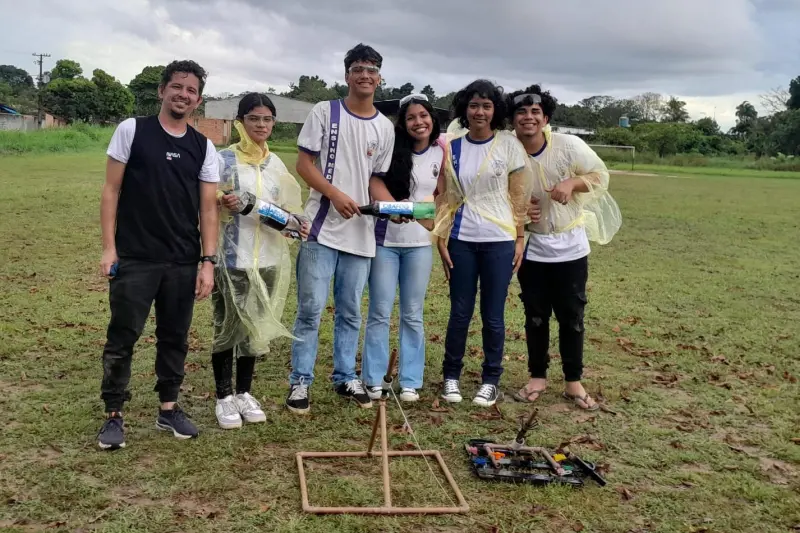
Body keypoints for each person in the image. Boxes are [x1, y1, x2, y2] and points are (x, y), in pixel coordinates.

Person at [96, 60, 219, 450]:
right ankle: (114, 414)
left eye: (192, 90)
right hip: (135, 257)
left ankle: (168, 409)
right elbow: (110, 191)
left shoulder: (203, 146)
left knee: (174, 338)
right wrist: (109, 248)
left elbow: (209, 209)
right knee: (123, 336)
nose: (184, 95)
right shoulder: (132, 130)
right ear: (162, 90)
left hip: (182, 260)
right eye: (178, 87)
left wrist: (207, 261)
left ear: (198, 100)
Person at [285, 43, 395, 414]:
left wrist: (390, 208)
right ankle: (300, 381)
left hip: (361, 232)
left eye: (372, 69)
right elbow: (304, 164)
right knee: (311, 308)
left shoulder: (384, 126)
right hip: (321, 229)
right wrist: (333, 194)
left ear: (380, 77)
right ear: (347, 74)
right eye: (358, 68)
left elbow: (375, 181)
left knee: (350, 310)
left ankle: (345, 375)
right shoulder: (325, 111)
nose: (365, 75)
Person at [507, 85, 622, 410]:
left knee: (572, 316)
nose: (528, 117)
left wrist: (572, 183)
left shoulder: (569, 145)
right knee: (535, 315)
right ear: (513, 119)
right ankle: (537, 377)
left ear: (545, 118)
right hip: (532, 247)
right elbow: (495, 192)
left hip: (571, 246)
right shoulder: (508, 151)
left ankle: (573, 382)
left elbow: (601, 175)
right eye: (521, 112)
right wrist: (517, 212)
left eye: (535, 112)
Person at [432, 79, 533, 407]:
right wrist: (441, 237)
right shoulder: (453, 146)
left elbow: (518, 197)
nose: (479, 111)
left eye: (486, 106)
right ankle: (451, 376)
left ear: (495, 111)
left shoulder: (508, 146)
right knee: (459, 311)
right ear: (465, 108)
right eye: (474, 105)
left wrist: (519, 237)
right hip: (461, 240)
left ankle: (491, 379)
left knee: (493, 315)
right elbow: (446, 197)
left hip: (499, 241)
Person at [213, 93, 309, 429]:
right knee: (228, 327)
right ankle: (224, 397)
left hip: (268, 258)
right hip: (231, 258)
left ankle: (244, 392)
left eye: (267, 119)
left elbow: (291, 212)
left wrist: (294, 222)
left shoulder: (277, 165)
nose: (261, 125)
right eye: (254, 118)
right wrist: (223, 200)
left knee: (254, 328)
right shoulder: (224, 159)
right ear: (241, 121)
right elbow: (208, 200)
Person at [361, 94, 445, 402]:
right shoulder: (390, 150)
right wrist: (395, 207)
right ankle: (373, 378)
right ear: (403, 123)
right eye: (411, 118)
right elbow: (374, 182)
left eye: (423, 115)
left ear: (432, 119)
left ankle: (410, 380)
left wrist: (428, 216)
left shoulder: (442, 151)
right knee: (380, 311)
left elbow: (444, 196)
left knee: (412, 313)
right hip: (386, 241)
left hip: (420, 245)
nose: (418, 122)